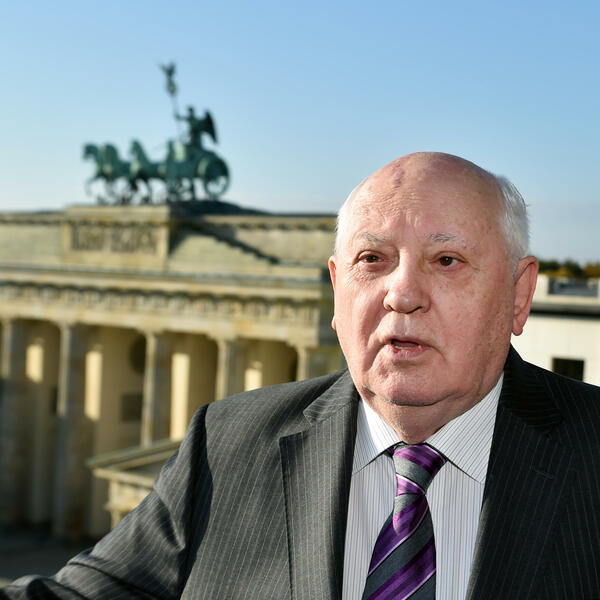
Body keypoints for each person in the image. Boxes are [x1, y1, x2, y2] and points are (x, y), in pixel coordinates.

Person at [2, 152, 599, 599]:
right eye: (373, 259)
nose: (402, 294)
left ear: (519, 295)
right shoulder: (225, 446)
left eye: (447, 260)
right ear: (338, 291)